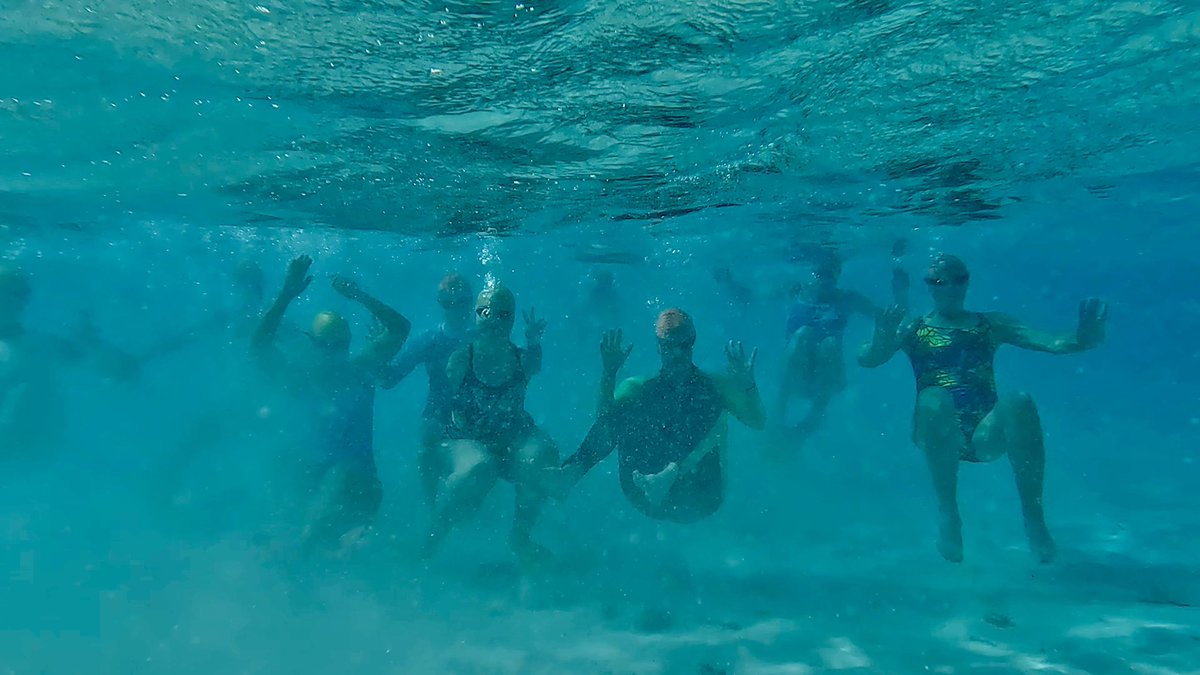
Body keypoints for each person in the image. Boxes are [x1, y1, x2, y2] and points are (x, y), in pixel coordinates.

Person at [858, 254, 1107, 563]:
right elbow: (869, 359)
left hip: (983, 436)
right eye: (939, 281)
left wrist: (1083, 339)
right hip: (935, 432)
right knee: (935, 398)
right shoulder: (913, 328)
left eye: (958, 279)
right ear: (930, 287)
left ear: (967, 283)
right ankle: (949, 517)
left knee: (1020, 401)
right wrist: (881, 338)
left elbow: (1052, 342)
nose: (950, 288)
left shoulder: (991, 324)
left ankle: (1034, 520)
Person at [252, 255, 411, 555]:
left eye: (340, 347)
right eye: (328, 346)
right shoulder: (298, 378)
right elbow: (259, 346)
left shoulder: (360, 370)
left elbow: (400, 328)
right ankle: (301, 540)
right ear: (313, 344)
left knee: (341, 475)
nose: (334, 354)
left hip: (359, 488)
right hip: (316, 484)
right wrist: (286, 294)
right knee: (285, 458)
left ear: (347, 345)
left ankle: (302, 553)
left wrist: (360, 296)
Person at [548, 309, 765, 523]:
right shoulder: (639, 388)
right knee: (626, 407)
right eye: (670, 346)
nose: (678, 354)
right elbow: (604, 422)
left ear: (692, 343)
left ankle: (672, 472)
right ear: (659, 347)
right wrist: (609, 374)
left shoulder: (716, 387)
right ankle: (573, 471)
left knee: (717, 412)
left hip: (700, 495)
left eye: (684, 345)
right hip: (645, 491)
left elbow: (757, 421)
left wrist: (749, 387)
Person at [422, 284, 556, 563]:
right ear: (474, 316)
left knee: (542, 455)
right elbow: (439, 404)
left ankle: (520, 538)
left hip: (510, 442)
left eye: (502, 314)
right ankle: (431, 541)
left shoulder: (522, 359)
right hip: (466, 439)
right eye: (485, 312)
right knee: (477, 465)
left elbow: (535, 364)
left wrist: (533, 340)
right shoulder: (461, 359)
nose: (493, 320)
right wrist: (430, 453)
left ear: (512, 320)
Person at [0, 263, 139, 458]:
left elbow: (116, 367)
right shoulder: (46, 346)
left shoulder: (46, 346)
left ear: (21, 301)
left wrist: (95, 348)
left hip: (29, 452)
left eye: (7, 294)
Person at [774, 250, 908, 449]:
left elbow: (884, 318)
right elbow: (749, 296)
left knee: (829, 344)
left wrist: (900, 290)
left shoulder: (847, 298)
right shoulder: (796, 291)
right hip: (796, 376)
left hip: (827, 378)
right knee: (803, 335)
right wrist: (728, 281)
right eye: (821, 273)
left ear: (838, 273)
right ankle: (776, 419)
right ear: (812, 272)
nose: (826, 279)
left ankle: (809, 424)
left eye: (831, 273)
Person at [380, 273, 474, 507]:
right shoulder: (428, 340)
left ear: (471, 302)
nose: (455, 310)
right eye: (448, 303)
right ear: (441, 304)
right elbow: (390, 379)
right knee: (427, 444)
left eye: (461, 302)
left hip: (477, 415)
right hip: (438, 415)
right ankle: (432, 509)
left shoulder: (482, 336)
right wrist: (382, 351)